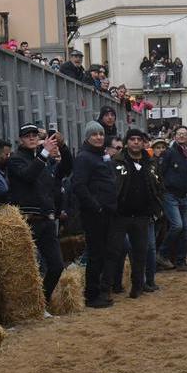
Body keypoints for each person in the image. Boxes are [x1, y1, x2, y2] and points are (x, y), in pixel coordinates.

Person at [5, 124, 66, 303]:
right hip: (27, 220)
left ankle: (42, 303)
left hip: (47, 219)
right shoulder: (15, 159)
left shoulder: (43, 159)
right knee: (29, 268)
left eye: (34, 135)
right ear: (20, 139)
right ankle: (29, 305)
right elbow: (28, 175)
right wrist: (45, 152)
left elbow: (66, 168)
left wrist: (62, 146)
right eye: (27, 135)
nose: (32, 138)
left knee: (56, 266)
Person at [70, 121, 117, 308]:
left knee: (103, 253)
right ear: (87, 137)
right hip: (95, 214)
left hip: (106, 212)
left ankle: (99, 291)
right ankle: (92, 294)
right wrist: (96, 206)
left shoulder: (100, 156)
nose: (98, 137)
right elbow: (78, 185)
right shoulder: (84, 157)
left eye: (100, 134)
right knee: (96, 254)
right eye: (94, 135)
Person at [112, 128, 162, 296]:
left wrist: (156, 207)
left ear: (143, 142)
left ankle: (138, 286)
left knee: (141, 252)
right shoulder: (116, 162)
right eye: (132, 139)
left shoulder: (151, 163)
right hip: (121, 214)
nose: (135, 142)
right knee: (116, 250)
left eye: (138, 139)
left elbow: (159, 186)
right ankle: (112, 285)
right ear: (127, 142)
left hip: (142, 215)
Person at [157, 125, 187, 270]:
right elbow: (161, 171)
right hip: (170, 194)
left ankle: (181, 261)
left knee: (185, 229)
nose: (182, 136)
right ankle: (162, 254)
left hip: (183, 195)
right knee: (177, 225)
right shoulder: (170, 153)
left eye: (184, 134)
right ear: (175, 136)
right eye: (179, 134)